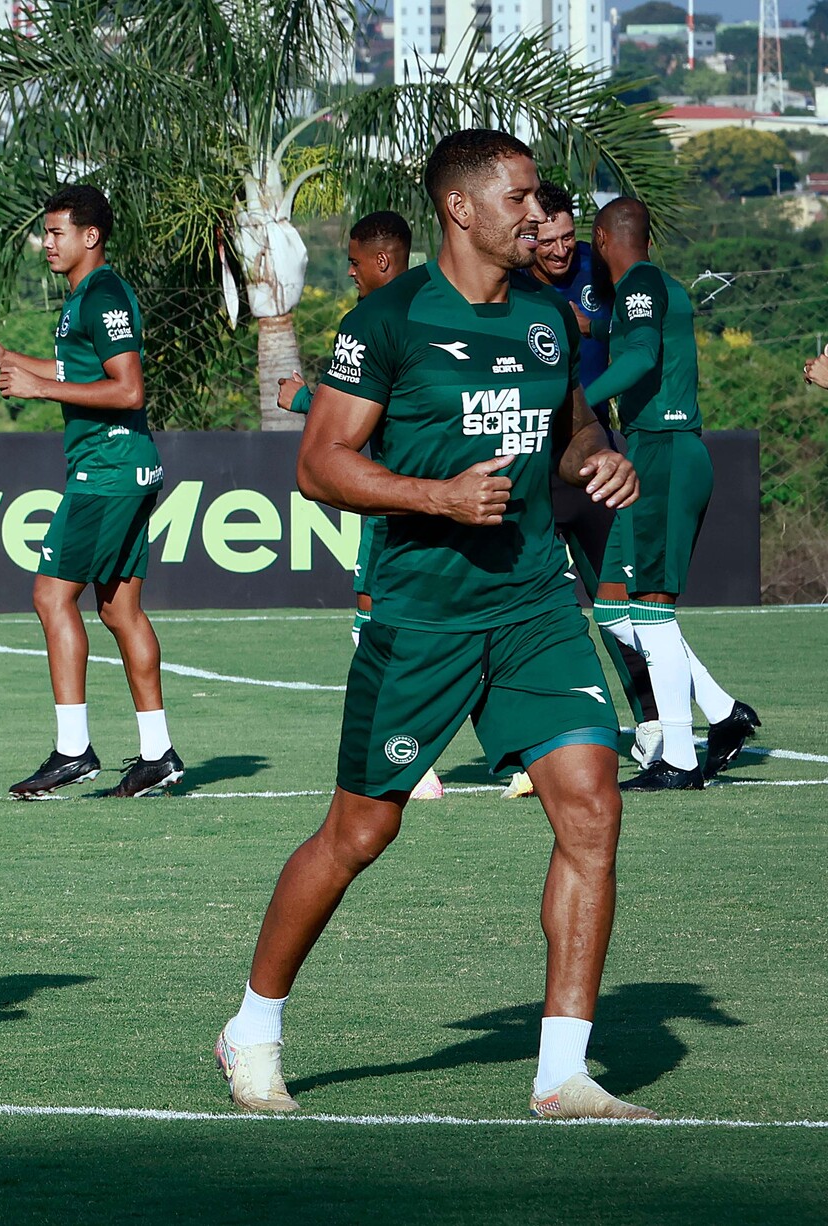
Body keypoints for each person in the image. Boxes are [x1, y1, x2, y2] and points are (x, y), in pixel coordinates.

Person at [214, 129, 649, 1120]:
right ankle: (252, 1026)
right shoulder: (388, 320)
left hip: (535, 604)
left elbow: (572, 423)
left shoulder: (545, 314)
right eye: (519, 198)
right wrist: (435, 497)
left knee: (591, 807)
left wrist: (596, 455)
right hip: (423, 618)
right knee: (359, 831)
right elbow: (319, 464)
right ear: (460, 207)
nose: (537, 215)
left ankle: (562, 1073)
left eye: (537, 198)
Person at [0, 185, 181, 799]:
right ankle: (158, 754)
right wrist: (10, 360)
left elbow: (128, 389)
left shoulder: (103, 293)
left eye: (57, 232)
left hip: (108, 469)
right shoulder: (85, 298)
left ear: (91, 236)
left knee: (51, 596)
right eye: (47, 232)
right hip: (126, 468)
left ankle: (73, 750)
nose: (47, 243)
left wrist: (36, 389)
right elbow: (79, 371)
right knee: (119, 610)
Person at [582, 196, 760, 789]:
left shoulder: (640, 284)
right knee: (613, 609)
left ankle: (680, 759)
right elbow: (633, 333)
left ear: (602, 239)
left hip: (663, 450)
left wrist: (578, 401)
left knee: (652, 608)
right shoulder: (658, 287)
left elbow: (641, 354)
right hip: (654, 453)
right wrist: (589, 327)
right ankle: (723, 710)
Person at [530, 184, 657, 777]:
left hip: (591, 448)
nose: (559, 250)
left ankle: (652, 721)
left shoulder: (598, 268)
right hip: (529, 455)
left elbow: (637, 330)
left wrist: (593, 328)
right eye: (546, 241)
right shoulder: (510, 279)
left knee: (617, 598)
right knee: (528, 604)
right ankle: (535, 740)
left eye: (567, 238)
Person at [278, 210, 411, 645]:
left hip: (393, 496)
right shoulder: (438, 305)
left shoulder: (368, 319)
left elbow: (369, 410)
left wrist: (302, 400)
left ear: (382, 261)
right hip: (440, 490)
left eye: (355, 262)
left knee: (370, 620)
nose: (351, 272)